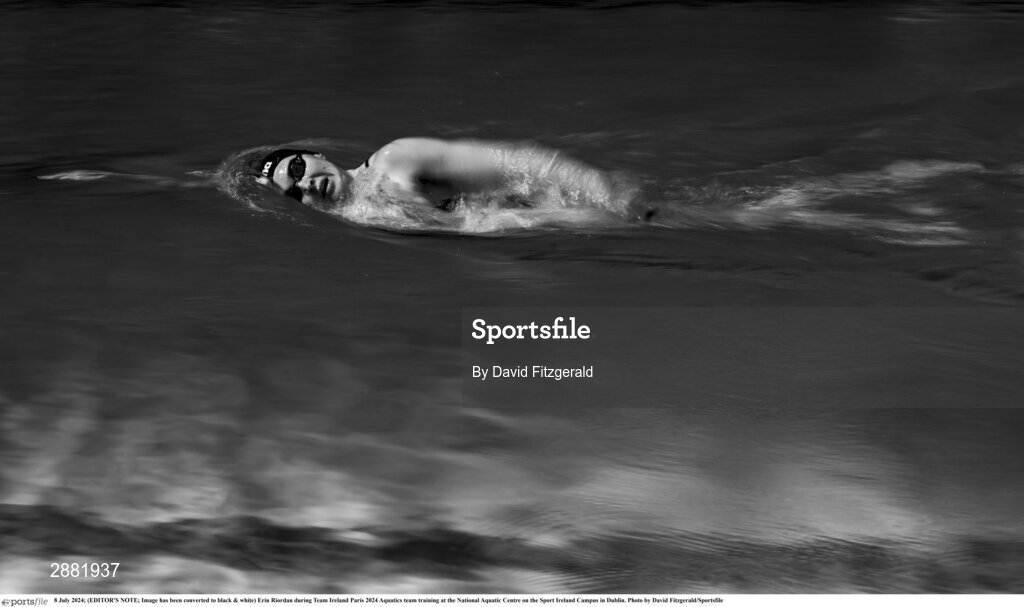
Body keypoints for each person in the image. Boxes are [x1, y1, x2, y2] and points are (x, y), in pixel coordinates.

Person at [251, 137, 619, 214]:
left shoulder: (395, 159)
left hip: (580, 207)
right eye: (295, 192)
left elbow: (517, 162)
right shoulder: (360, 217)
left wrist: (608, 195)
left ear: (315, 155)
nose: (306, 184)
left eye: (297, 168)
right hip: (550, 239)